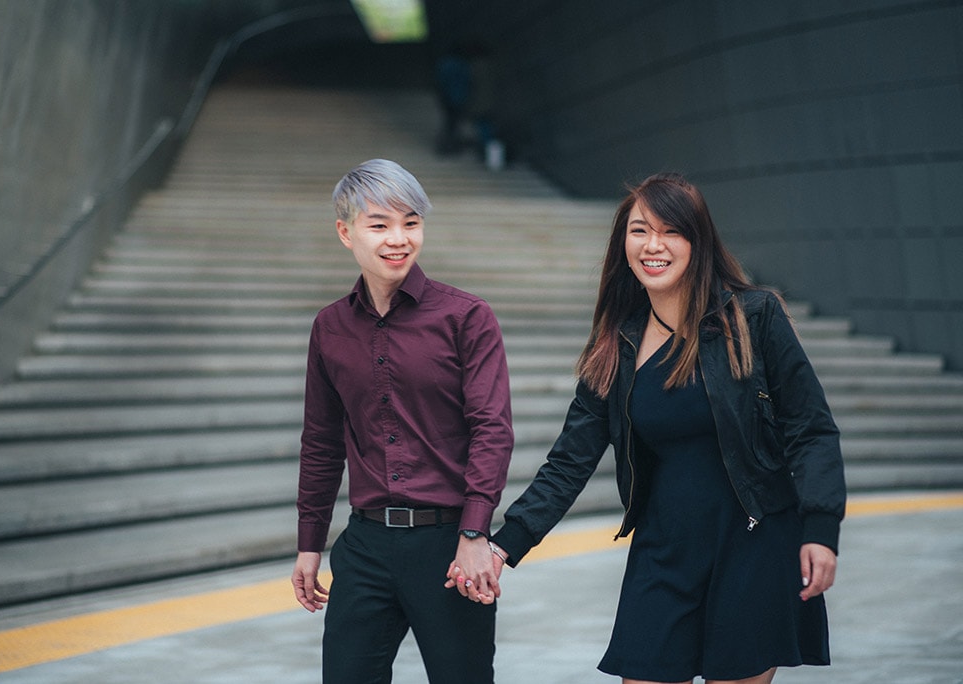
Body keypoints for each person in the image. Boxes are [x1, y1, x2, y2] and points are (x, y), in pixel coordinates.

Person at [459, 173, 846, 683]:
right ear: (624, 243)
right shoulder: (616, 345)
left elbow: (809, 428)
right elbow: (570, 460)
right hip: (664, 549)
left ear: (698, 242)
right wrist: (504, 544)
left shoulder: (752, 318)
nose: (653, 245)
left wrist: (820, 528)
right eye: (640, 230)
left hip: (752, 542)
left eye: (671, 231)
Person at [291, 158, 514, 684]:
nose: (399, 238)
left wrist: (476, 532)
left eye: (410, 222)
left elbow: (492, 428)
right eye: (380, 224)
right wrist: (309, 543)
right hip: (365, 545)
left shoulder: (466, 317)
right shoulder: (330, 328)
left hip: (448, 547)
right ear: (346, 233)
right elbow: (321, 441)